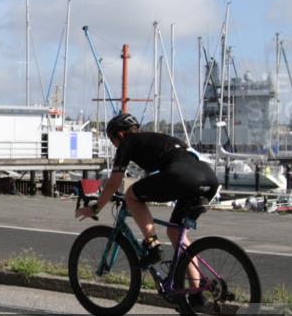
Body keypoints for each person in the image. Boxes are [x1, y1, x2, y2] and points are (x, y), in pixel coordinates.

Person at [75, 112, 219, 270]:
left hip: (181, 176)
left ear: (121, 134)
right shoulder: (157, 139)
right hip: (209, 178)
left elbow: (113, 183)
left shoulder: (127, 142)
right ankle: (196, 292)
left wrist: (95, 208)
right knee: (176, 233)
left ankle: (153, 246)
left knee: (131, 195)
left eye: (112, 140)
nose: (114, 145)